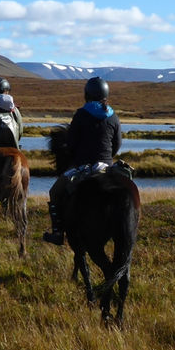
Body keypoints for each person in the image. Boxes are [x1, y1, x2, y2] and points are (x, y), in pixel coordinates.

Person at [41, 76, 122, 246]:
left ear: (87, 94)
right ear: (105, 94)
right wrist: (107, 158)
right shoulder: (113, 117)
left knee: (55, 192)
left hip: (83, 166)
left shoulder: (82, 114)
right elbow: (117, 144)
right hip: (107, 165)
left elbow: (71, 144)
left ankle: (58, 233)